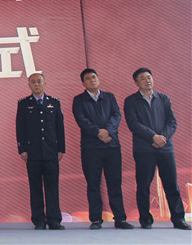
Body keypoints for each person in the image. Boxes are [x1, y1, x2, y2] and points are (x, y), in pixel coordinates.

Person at [124, 68, 191, 230]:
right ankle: (145, 219)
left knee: (171, 184)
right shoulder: (131, 101)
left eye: (149, 77)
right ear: (136, 83)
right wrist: (153, 137)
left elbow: (172, 122)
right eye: (143, 78)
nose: (147, 80)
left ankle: (178, 219)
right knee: (143, 185)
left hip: (165, 148)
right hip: (144, 149)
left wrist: (162, 138)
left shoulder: (163, 98)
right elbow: (133, 124)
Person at [72, 69, 133, 229]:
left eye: (94, 77)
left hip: (112, 146)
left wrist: (108, 131)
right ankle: (96, 219)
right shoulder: (79, 100)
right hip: (91, 148)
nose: (92, 80)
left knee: (115, 183)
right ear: (83, 83)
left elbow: (116, 116)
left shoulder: (109, 97)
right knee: (93, 184)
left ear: (98, 79)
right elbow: (81, 120)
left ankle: (120, 218)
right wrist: (98, 132)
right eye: (88, 78)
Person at [15, 72, 65, 230]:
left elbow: (60, 127)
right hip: (33, 152)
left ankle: (54, 219)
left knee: (52, 187)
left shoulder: (54, 102)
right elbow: (20, 128)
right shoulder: (24, 104)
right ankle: (39, 220)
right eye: (33, 82)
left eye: (39, 81)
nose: (36, 84)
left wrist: (61, 148)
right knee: (35, 188)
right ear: (29, 85)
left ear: (44, 83)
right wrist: (22, 149)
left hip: (51, 150)